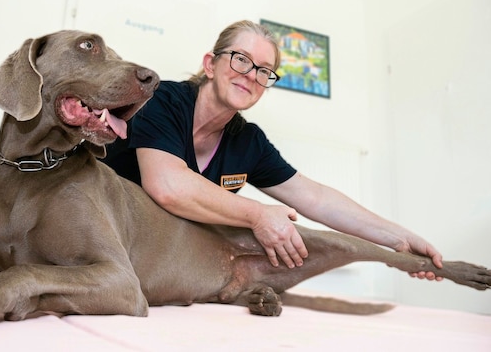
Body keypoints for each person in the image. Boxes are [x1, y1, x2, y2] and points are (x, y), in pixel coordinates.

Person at [102, 20, 443, 280]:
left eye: (264, 70)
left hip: (165, 260)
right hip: (105, 240)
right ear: (210, 64)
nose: (251, 75)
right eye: (241, 60)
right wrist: (258, 213)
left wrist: (399, 239)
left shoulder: (248, 140)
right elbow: (169, 186)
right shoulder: (163, 100)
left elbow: (316, 198)